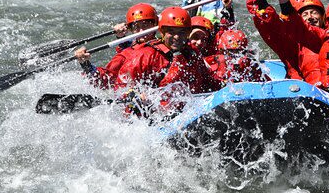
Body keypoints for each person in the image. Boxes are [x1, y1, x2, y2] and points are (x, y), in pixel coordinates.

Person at [75, 6, 221, 115]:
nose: (177, 37)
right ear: (162, 32)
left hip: (191, 109)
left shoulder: (192, 53)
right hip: (158, 116)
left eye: (182, 32)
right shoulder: (144, 56)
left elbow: (208, 81)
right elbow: (119, 88)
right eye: (172, 32)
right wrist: (135, 95)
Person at [74, 2, 159, 88]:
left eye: (145, 25)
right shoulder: (127, 53)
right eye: (136, 27)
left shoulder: (165, 44)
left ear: (155, 25)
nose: (141, 31)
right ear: (131, 29)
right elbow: (105, 79)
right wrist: (85, 64)